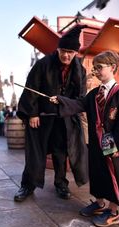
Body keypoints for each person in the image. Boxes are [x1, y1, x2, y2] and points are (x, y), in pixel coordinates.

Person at [50, 50, 119, 227]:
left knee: (114, 175)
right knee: (96, 172)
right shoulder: (94, 93)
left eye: (100, 68)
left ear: (113, 67)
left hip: (113, 143)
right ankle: (99, 203)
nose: (96, 71)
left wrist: (118, 146)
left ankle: (113, 211)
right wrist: (60, 100)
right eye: (94, 68)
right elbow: (78, 104)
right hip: (96, 141)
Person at [14, 24, 89, 202]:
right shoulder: (43, 64)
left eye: (70, 52)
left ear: (76, 53)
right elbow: (31, 89)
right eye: (63, 50)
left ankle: (61, 184)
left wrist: (65, 104)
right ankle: (28, 185)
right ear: (58, 49)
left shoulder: (81, 70)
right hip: (41, 117)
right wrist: (32, 113)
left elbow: (81, 98)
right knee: (35, 153)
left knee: (60, 152)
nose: (66, 55)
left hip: (65, 119)